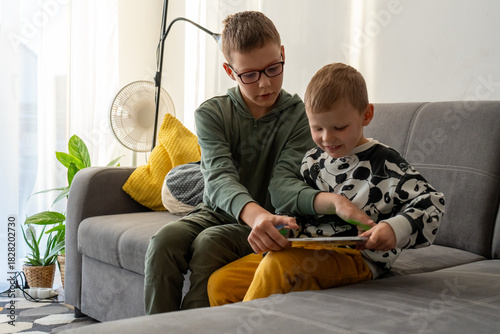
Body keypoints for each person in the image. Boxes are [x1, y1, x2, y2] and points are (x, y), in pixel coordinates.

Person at [208, 63, 445, 305]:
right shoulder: (312, 160)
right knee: (221, 283)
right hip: (303, 251)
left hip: (356, 258)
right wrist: (286, 226)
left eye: (339, 127)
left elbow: (431, 202)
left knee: (280, 266)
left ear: (366, 115)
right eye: (317, 128)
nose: (327, 138)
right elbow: (297, 210)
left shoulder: (386, 164)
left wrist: (395, 228)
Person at [144, 11, 316, 314]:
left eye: (273, 68)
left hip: (273, 220)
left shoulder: (301, 116)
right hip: (216, 212)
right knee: (163, 242)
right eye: (249, 75)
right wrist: (253, 215)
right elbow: (219, 178)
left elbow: (283, 181)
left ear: (283, 54)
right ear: (229, 70)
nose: (264, 84)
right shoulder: (211, 114)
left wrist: (263, 218)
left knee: (210, 243)